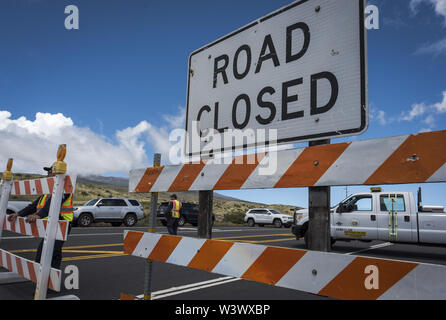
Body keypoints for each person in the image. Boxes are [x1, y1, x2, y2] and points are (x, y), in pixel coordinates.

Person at [8, 166, 74, 270]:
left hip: (62, 224)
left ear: (58, 174)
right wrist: (18, 214)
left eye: (50, 172)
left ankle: (48, 278)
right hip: (51, 225)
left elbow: (53, 203)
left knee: (51, 251)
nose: (48, 174)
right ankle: (49, 276)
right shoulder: (48, 190)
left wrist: (38, 215)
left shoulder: (65, 188)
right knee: (51, 251)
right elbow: (33, 206)